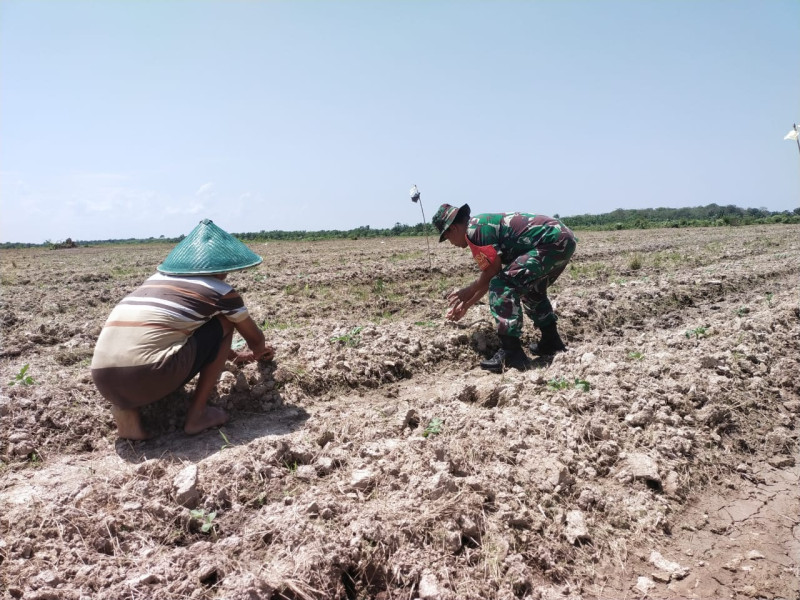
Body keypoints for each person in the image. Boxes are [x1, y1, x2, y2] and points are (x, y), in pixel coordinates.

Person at [91, 219, 275, 440]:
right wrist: (259, 352)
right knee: (226, 322)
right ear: (223, 268)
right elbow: (255, 340)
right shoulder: (221, 291)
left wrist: (235, 356)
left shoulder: (154, 281)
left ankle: (126, 411)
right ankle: (197, 415)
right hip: (148, 375)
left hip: (104, 381)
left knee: (153, 341)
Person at [433, 203, 577, 372]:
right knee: (531, 290)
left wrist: (469, 290)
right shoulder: (478, 226)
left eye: (447, 237)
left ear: (454, 229)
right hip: (562, 239)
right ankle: (551, 341)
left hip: (552, 241)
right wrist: (466, 305)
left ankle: (511, 351)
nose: (451, 243)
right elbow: (491, 275)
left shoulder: (475, 231)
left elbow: (493, 275)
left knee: (503, 284)